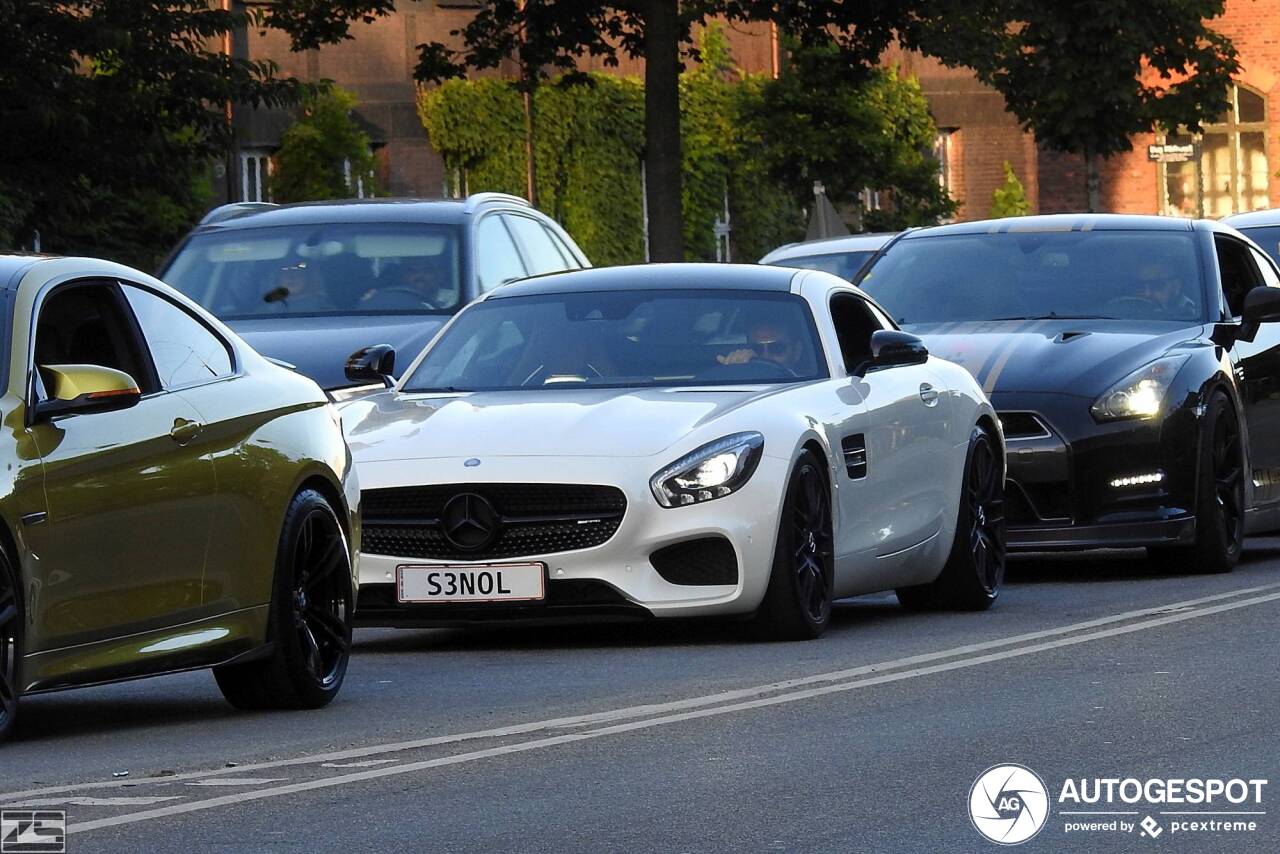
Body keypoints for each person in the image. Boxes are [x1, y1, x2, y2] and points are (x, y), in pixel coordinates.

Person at [717, 320, 804, 370]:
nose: (765, 357)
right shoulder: (739, 383)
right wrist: (734, 371)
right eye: (757, 349)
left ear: (797, 352)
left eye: (777, 348)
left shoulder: (810, 389)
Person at [1132, 260, 1197, 316]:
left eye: (1156, 284)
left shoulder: (1193, 316)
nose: (1147, 293)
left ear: (1176, 286)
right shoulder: (1124, 312)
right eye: (1140, 286)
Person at [265, 262, 333, 312]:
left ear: (307, 279)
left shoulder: (327, 310)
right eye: (286, 274)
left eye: (297, 273)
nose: (291, 278)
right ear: (278, 279)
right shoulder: (264, 312)